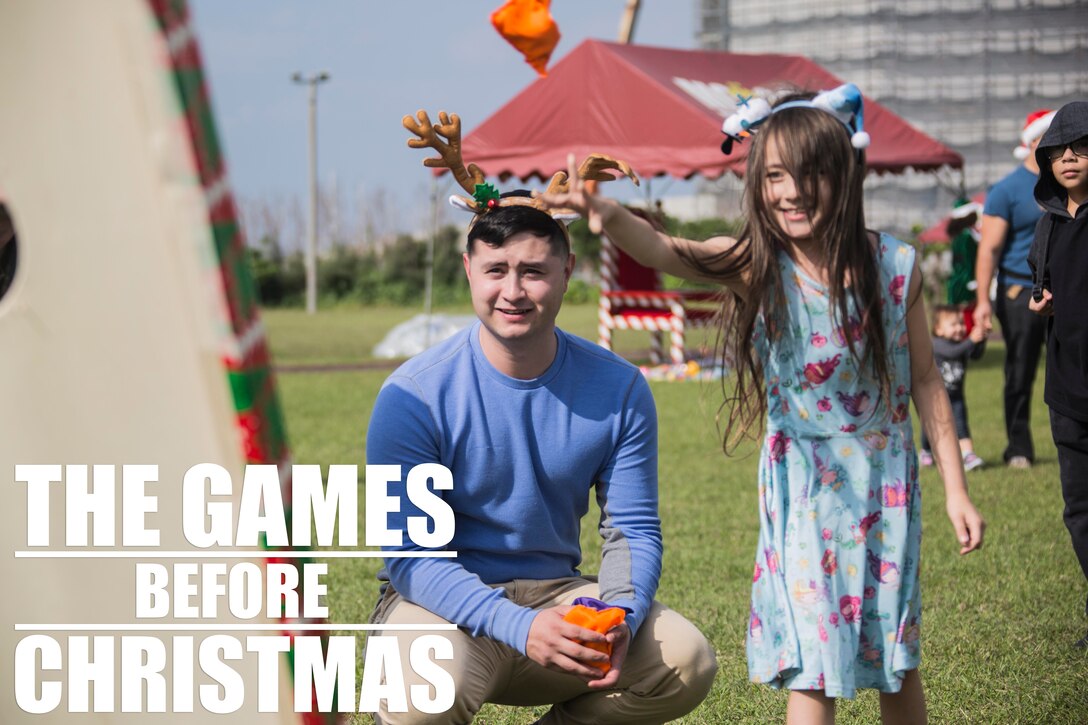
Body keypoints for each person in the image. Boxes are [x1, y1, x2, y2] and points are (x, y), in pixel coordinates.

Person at [542, 83, 985, 724]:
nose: (791, 191)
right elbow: (671, 252)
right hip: (801, 492)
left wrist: (955, 490)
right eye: (775, 175)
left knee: (896, 655)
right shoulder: (758, 263)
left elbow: (924, 380)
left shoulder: (898, 267)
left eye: (809, 174)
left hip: (885, 489)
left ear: (844, 175)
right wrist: (608, 215)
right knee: (812, 664)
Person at [365, 200, 717, 723]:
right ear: (468, 269)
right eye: (495, 270)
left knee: (686, 661)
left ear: (567, 271)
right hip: (440, 606)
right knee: (425, 689)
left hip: (557, 596)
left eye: (533, 271)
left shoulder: (620, 387)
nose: (512, 291)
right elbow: (410, 556)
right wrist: (518, 626)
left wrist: (619, 614)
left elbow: (633, 529)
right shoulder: (412, 395)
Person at [1026, 100, 1088, 648]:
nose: (1069, 157)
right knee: (1080, 511)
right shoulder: (1046, 227)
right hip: (1066, 391)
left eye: (1081, 147)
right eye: (1058, 151)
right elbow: (1039, 286)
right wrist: (1038, 303)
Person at [974, 109, 1056, 469]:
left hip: (1066, 292)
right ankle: (1019, 447)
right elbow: (988, 248)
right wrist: (981, 303)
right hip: (1019, 293)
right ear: (1033, 142)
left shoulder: (1069, 183)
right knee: (1020, 371)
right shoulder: (1006, 190)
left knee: (1071, 370)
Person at [918, 305, 987, 470]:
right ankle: (926, 451)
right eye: (954, 324)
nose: (960, 328)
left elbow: (975, 355)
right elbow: (952, 353)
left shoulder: (962, 344)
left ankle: (968, 455)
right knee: (931, 426)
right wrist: (971, 340)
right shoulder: (936, 344)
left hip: (956, 396)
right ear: (939, 329)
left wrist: (981, 338)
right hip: (935, 396)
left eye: (961, 323)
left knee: (961, 424)